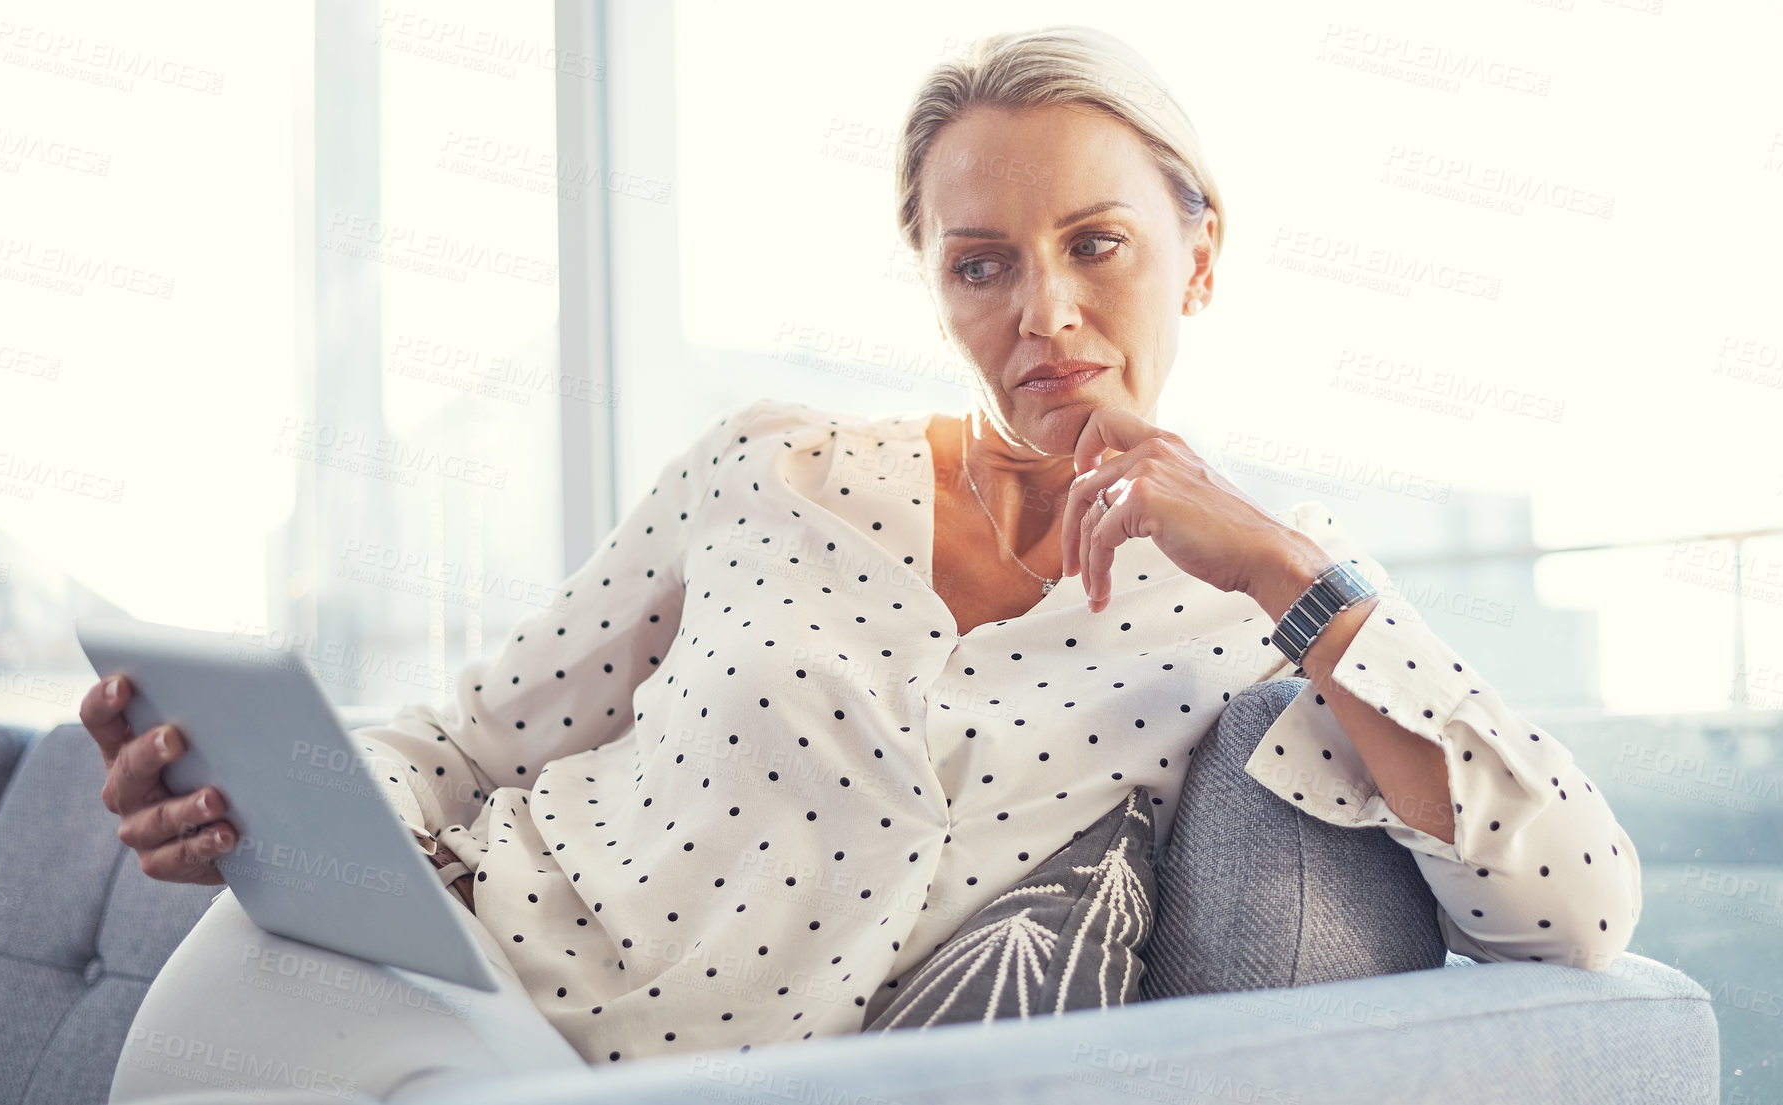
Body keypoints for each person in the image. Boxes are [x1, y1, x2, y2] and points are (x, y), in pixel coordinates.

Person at [85, 23, 1641, 1099]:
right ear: (934, 281)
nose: (1043, 311)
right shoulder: (772, 467)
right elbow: (466, 737)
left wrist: (1286, 570)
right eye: (981, 264)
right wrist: (239, 795)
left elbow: (1579, 903)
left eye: (1095, 243)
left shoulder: (1253, 617)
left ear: (1202, 252)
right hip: (370, 976)